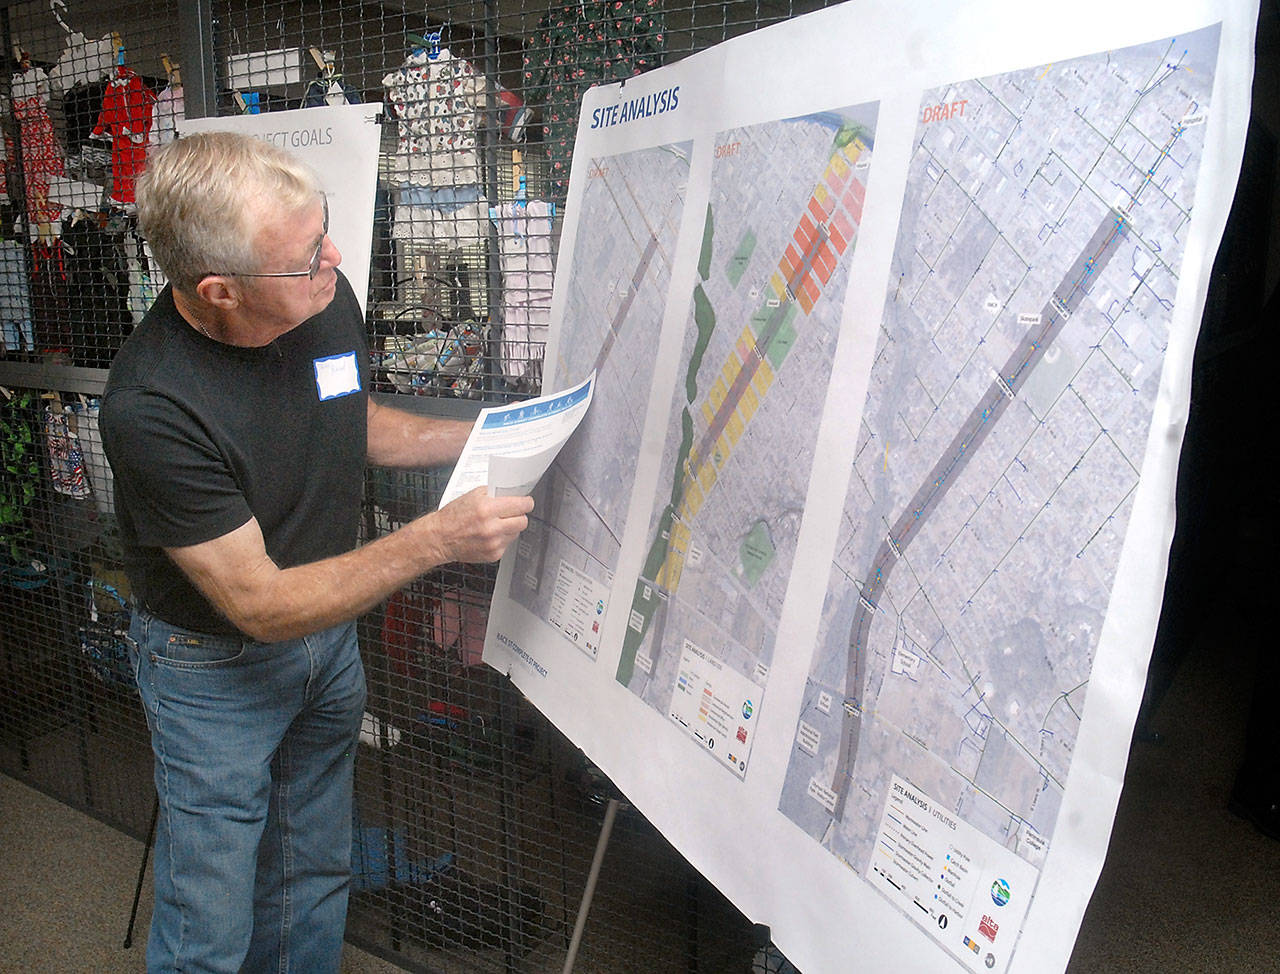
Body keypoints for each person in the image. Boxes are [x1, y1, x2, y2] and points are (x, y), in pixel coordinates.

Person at [99, 131, 533, 974]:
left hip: (327, 643)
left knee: (312, 872)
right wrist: (437, 538)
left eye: (324, 229)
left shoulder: (321, 297)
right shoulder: (153, 407)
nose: (332, 256)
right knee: (210, 912)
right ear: (219, 291)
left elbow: (350, 419)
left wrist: (484, 436)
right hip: (213, 669)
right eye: (303, 255)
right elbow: (259, 604)